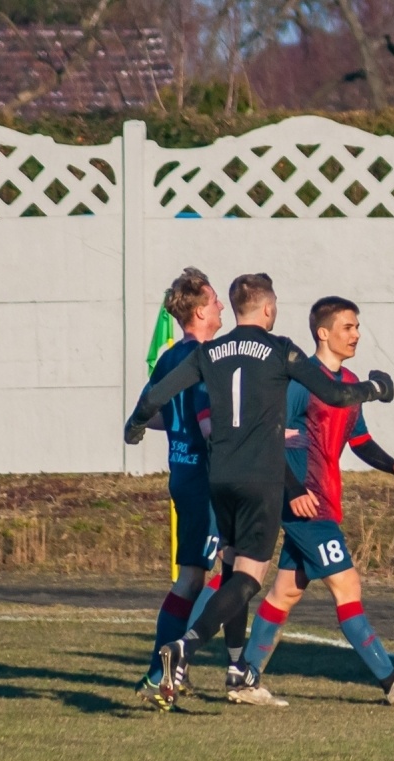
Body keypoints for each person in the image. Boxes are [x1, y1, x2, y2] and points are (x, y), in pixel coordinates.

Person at [123, 273, 394, 707]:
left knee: (227, 572)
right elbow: (334, 393)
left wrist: (135, 425)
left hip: (219, 481)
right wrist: (376, 389)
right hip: (261, 480)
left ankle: (236, 673)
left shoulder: (209, 352)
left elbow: (158, 394)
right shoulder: (280, 348)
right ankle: (184, 649)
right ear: (268, 309)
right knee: (248, 578)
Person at [232, 297, 394, 707]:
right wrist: (294, 492)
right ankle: (390, 679)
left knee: (284, 595)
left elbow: (358, 440)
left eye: (357, 326)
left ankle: (244, 679)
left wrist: (393, 465)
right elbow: (271, 440)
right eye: (347, 327)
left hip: (322, 502)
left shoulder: (348, 385)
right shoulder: (300, 383)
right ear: (323, 333)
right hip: (306, 504)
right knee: (347, 584)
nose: (356, 334)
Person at [134, 268, 225, 711]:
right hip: (208, 482)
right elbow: (210, 426)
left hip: (181, 475)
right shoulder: (206, 358)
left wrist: (177, 423)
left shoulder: (170, 357)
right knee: (236, 574)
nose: (223, 306)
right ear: (201, 310)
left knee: (191, 577)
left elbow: (151, 414)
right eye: (216, 300)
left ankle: (163, 671)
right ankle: (165, 668)